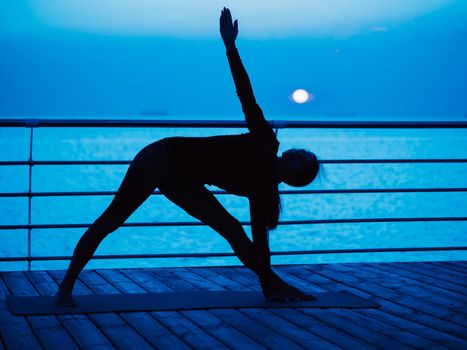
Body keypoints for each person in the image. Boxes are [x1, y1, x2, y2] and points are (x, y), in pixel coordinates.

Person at [55, 7, 320, 306]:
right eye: (305, 153)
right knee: (110, 221)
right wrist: (230, 47)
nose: (300, 151)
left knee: (231, 229)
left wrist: (269, 287)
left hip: (178, 174)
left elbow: (260, 245)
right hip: (160, 157)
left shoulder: (264, 191)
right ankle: (64, 287)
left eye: (303, 158)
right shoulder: (265, 144)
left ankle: (274, 287)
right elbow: (246, 94)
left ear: (294, 173)